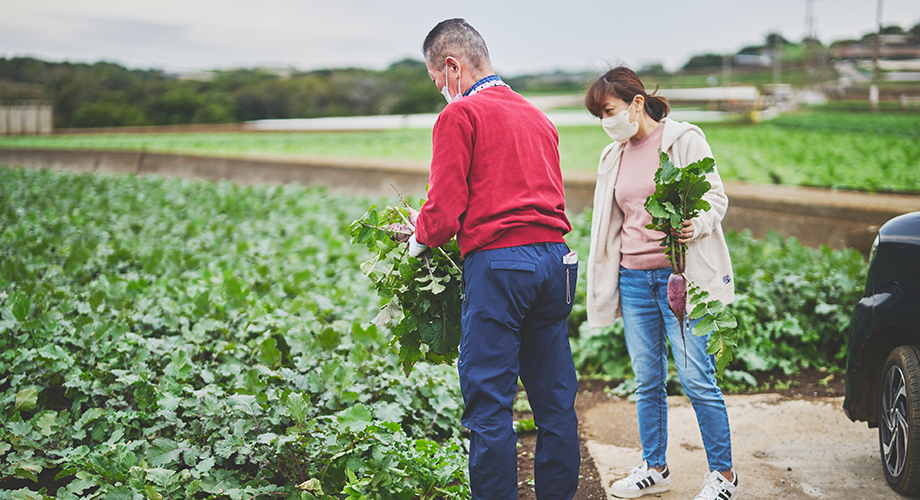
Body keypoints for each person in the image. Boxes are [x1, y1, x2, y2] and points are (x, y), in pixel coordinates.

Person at [403, 18, 580, 500]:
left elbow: (441, 214)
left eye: (437, 79)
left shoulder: (460, 116)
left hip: (503, 266)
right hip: (556, 264)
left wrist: (417, 237)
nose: (441, 89)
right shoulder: (538, 117)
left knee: (489, 403)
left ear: (453, 66)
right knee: (555, 401)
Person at [583, 66, 740, 500]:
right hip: (633, 280)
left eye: (609, 110)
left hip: (679, 279)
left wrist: (699, 223)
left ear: (636, 103)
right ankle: (654, 467)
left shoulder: (683, 140)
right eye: (599, 115)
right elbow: (611, 222)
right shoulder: (612, 153)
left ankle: (724, 477)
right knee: (647, 379)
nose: (605, 122)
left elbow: (716, 197)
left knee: (697, 378)